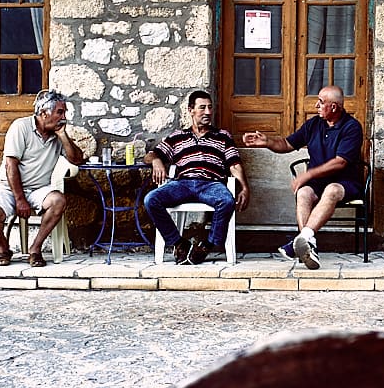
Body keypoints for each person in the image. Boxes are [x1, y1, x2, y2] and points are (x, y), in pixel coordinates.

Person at [243, 85, 364, 270]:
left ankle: (300, 241)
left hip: (345, 183)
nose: (316, 105)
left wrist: (307, 174)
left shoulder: (352, 127)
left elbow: (340, 163)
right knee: (303, 192)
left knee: (331, 190)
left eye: (321, 102)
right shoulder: (314, 124)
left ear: (333, 107)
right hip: (318, 183)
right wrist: (267, 142)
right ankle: (306, 245)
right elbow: (286, 144)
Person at [144, 90, 249, 264]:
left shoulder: (222, 136)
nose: (208, 112)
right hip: (182, 184)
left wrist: (244, 187)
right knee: (151, 200)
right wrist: (156, 161)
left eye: (210, 107)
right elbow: (150, 155)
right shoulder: (178, 137)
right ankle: (178, 243)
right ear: (191, 110)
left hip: (211, 184)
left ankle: (207, 246)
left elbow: (234, 164)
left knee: (227, 201)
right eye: (202, 108)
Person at [0, 89, 84, 267]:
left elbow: (77, 159)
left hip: (38, 189)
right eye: (60, 112)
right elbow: (10, 166)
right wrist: (20, 199)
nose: (64, 117)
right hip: (8, 187)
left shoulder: (57, 134)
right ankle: (4, 248)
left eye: (64, 112)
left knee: (58, 200)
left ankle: (35, 249)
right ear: (44, 113)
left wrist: (63, 136)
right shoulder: (20, 127)